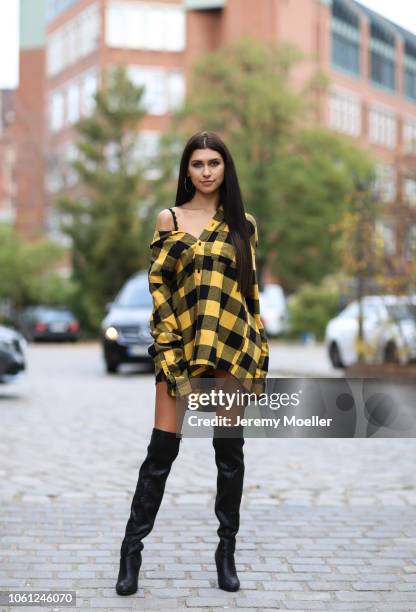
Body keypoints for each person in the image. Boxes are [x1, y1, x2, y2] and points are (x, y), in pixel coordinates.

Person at [115, 131, 269, 596]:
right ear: (187, 170)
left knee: (229, 453)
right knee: (162, 451)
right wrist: (167, 347)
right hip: (180, 346)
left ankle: (227, 552)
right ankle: (131, 552)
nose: (206, 171)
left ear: (225, 169)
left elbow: (249, 294)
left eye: (214, 163)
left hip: (229, 346)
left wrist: (257, 346)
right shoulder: (170, 218)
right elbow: (159, 290)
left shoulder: (244, 225)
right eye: (198, 163)